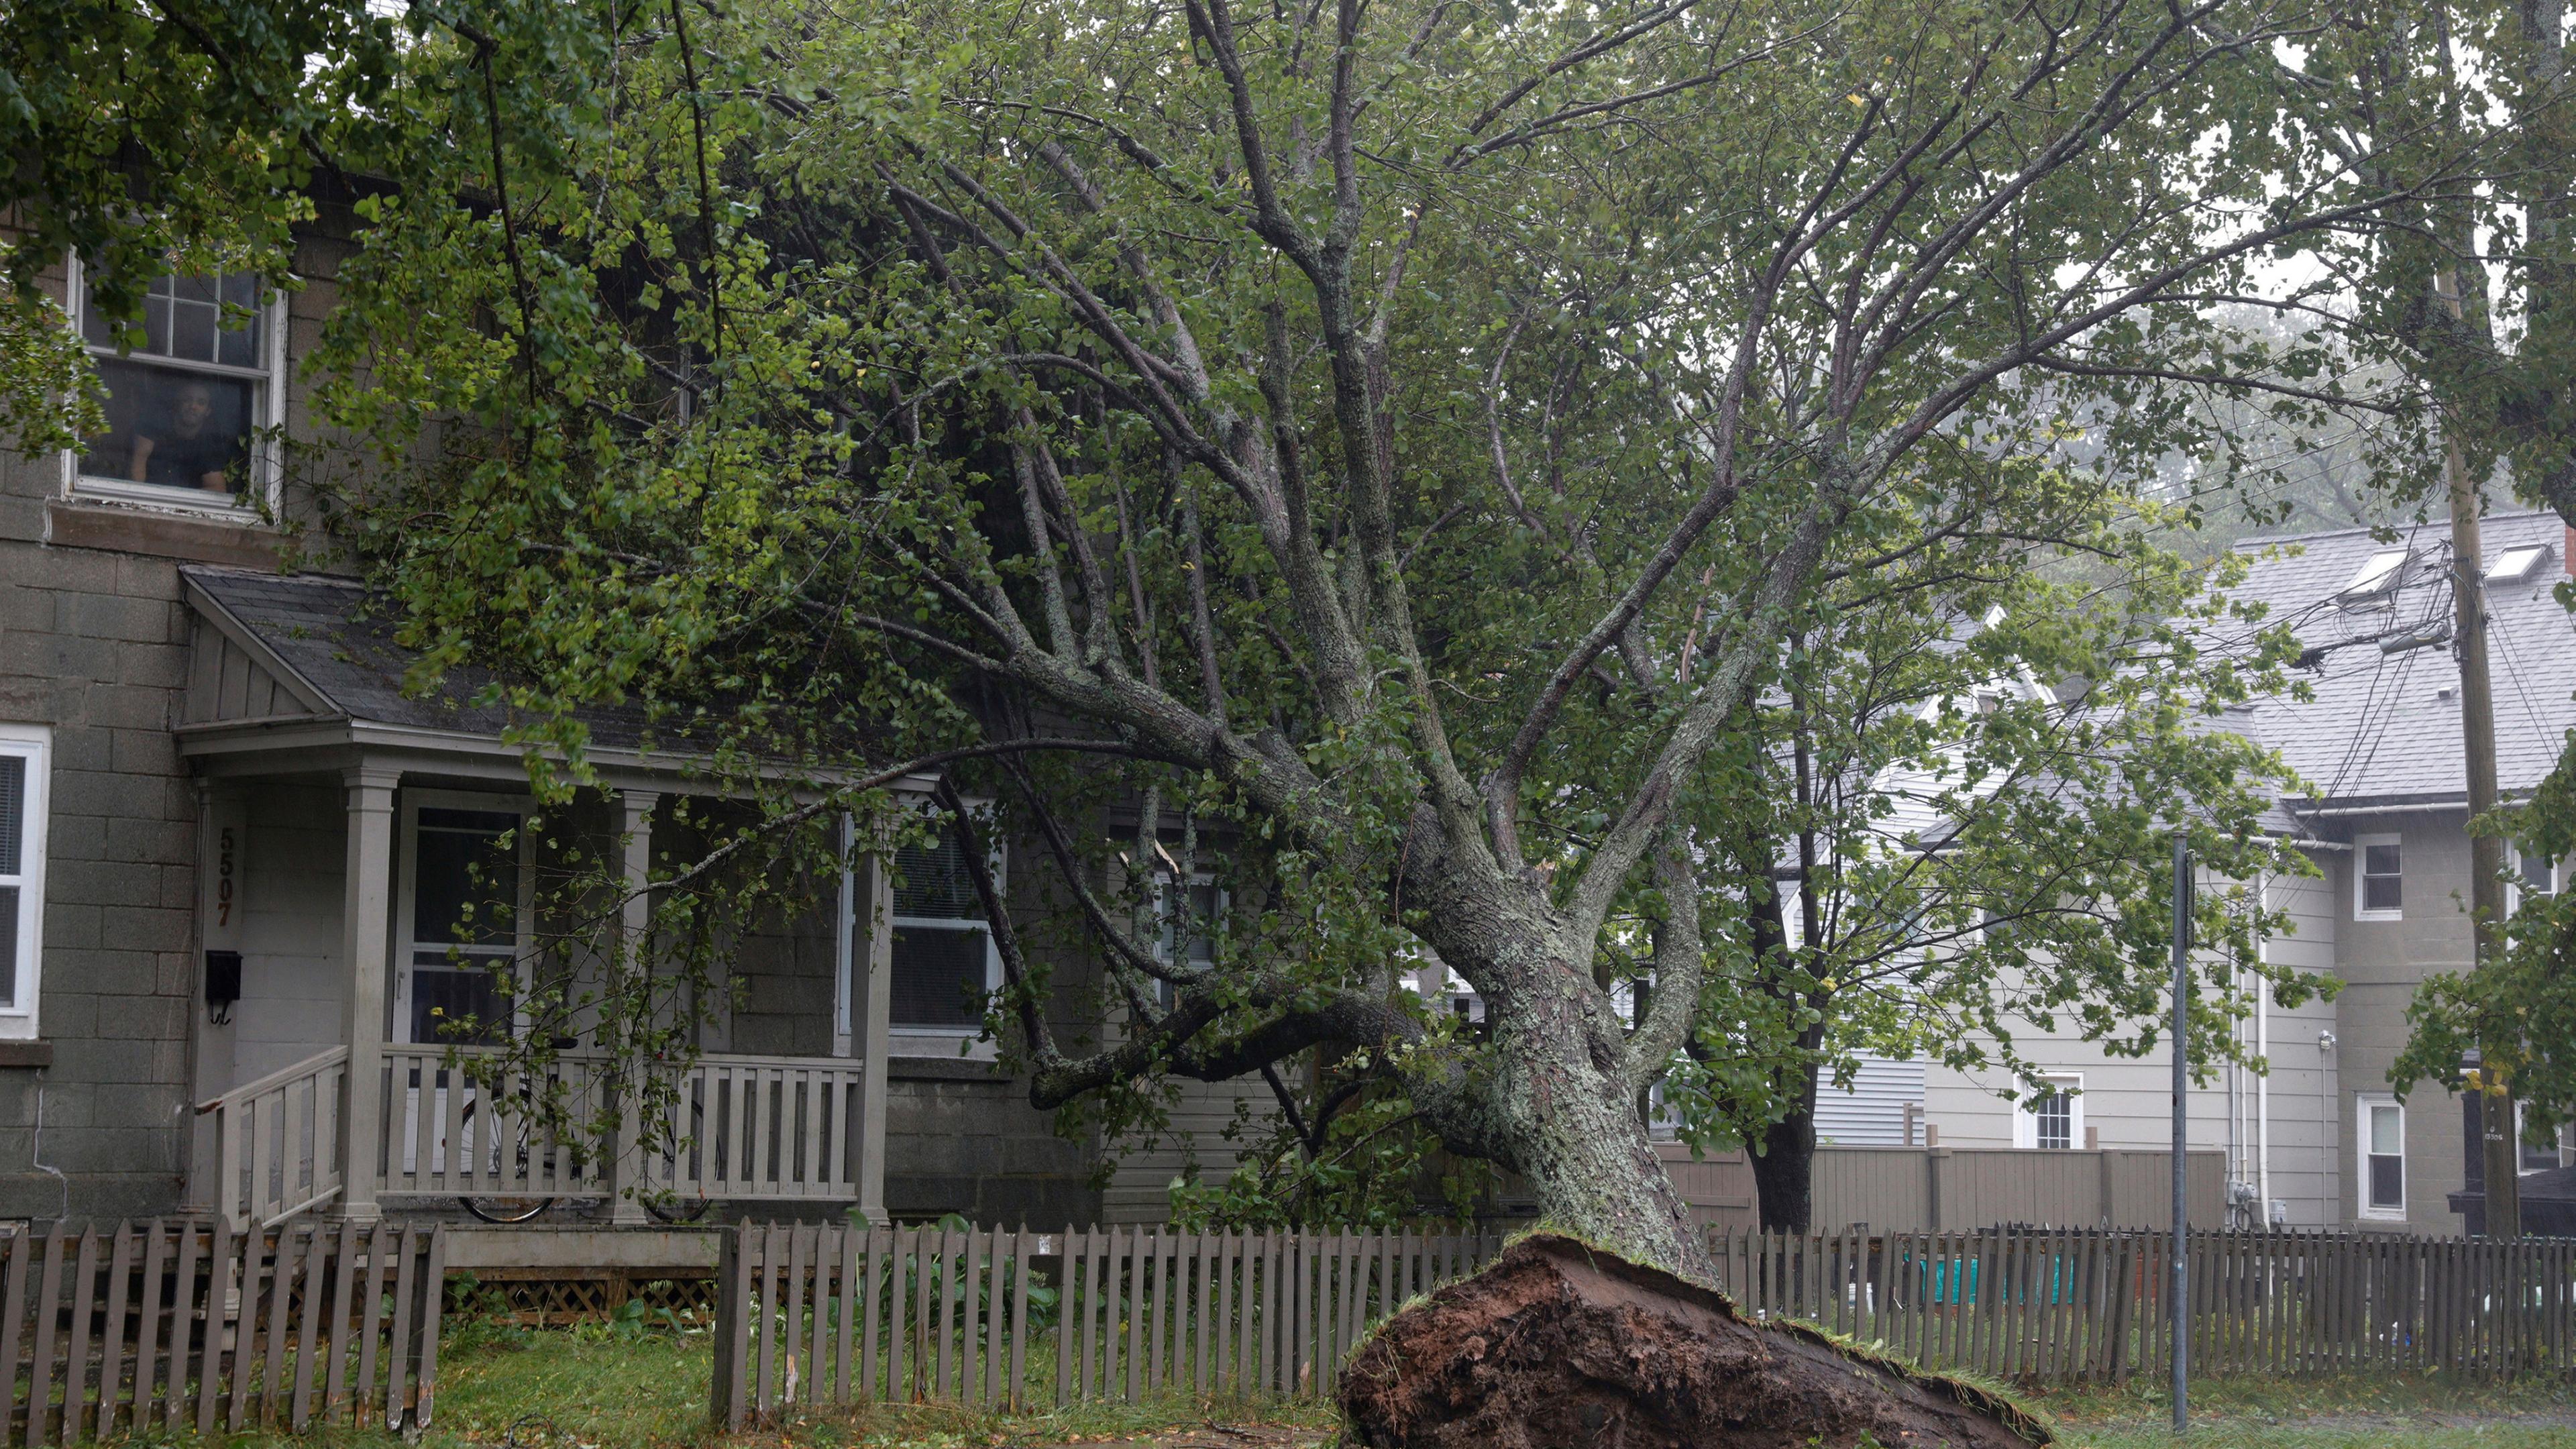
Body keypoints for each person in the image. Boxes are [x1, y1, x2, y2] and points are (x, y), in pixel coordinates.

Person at [127, 379, 241, 494]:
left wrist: (177, 502)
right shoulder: (156, 428)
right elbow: (138, 464)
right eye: (188, 400)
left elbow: (217, 489)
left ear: (208, 411)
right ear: (178, 403)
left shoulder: (209, 445)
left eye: (201, 403)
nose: (193, 406)